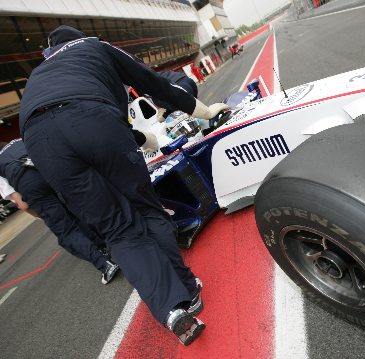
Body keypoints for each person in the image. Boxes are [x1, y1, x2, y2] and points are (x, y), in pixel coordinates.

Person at [19, 25, 227, 345]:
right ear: (78, 37)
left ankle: (171, 309)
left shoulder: (40, 75)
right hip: (92, 117)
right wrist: (205, 110)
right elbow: (155, 86)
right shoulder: (94, 46)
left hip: (39, 141)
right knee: (146, 207)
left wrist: (138, 138)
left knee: (116, 229)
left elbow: (71, 115)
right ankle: (188, 290)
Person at [0, 139, 120, 284]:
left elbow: (22, 204)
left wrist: (39, 212)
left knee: (65, 231)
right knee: (77, 208)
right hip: (52, 167)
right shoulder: (20, 140)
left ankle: (104, 264)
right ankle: (104, 242)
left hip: (29, 183)